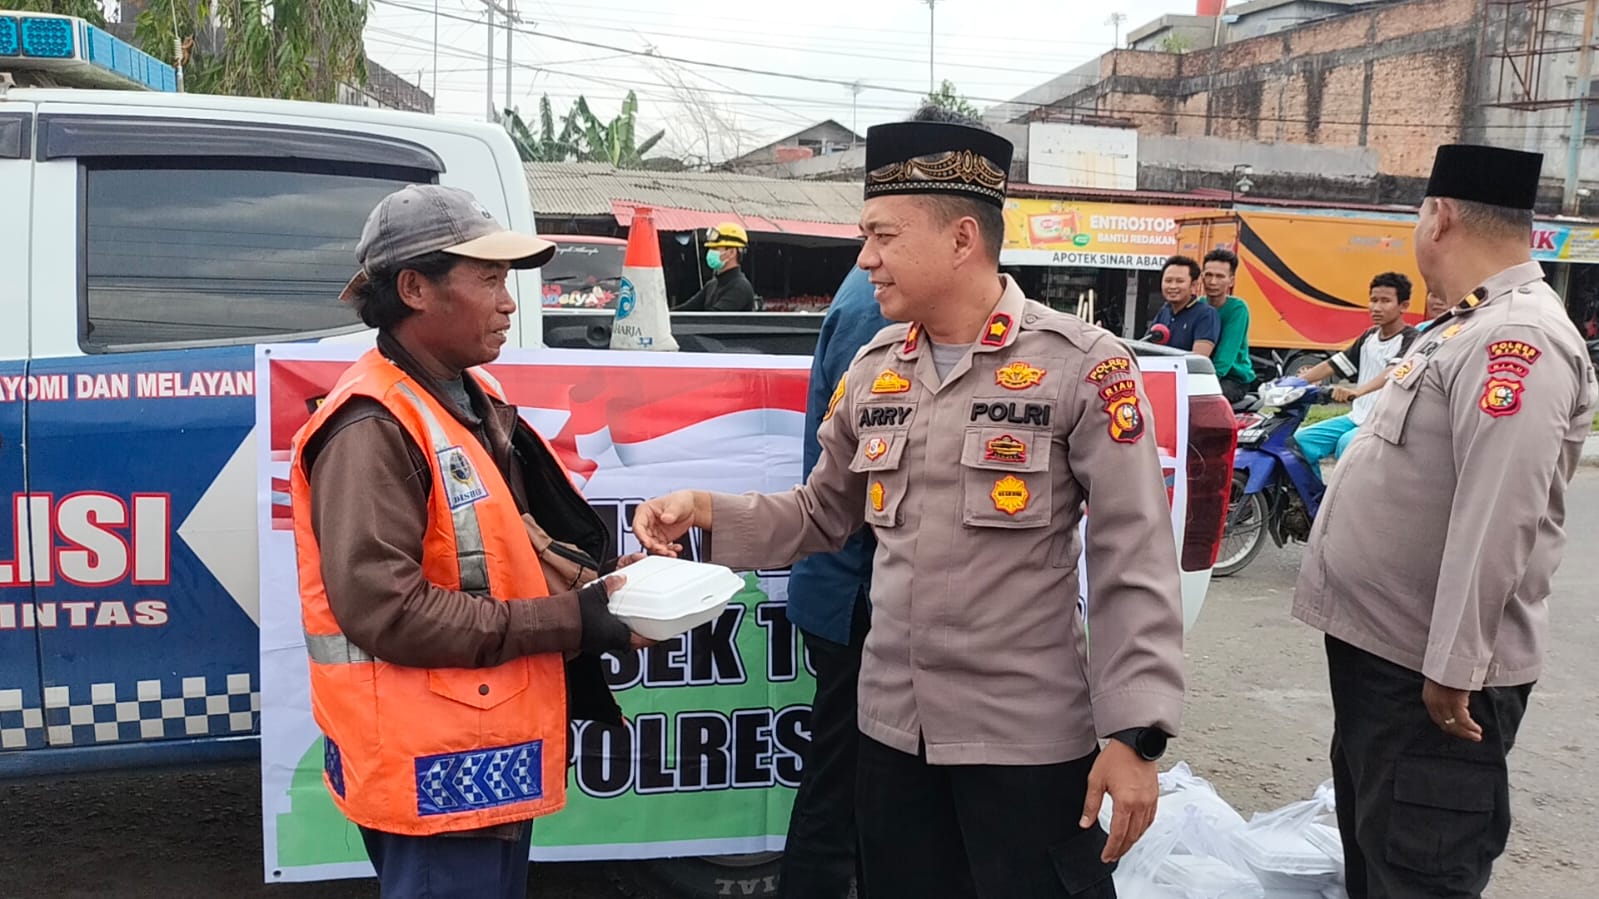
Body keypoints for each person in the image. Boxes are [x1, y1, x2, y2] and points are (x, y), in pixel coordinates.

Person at [634, 118, 1185, 898]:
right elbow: (821, 514)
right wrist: (705, 509)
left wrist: (1134, 735)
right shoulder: (872, 371)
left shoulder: (1083, 368)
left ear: (962, 239)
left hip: (1024, 742)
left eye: (882, 236)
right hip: (892, 735)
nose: (865, 259)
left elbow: (1132, 555)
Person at [289, 184, 648, 899]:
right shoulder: (372, 425)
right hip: (432, 769)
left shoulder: (458, 399)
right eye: (488, 279)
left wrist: (601, 587)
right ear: (414, 289)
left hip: (473, 757)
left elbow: (502, 550)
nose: (510, 301)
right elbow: (387, 611)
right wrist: (575, 618)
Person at [1294, 145, 1598, 899]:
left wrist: (1455, 665)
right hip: (1390, 657)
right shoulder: (1466, 324)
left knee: (1419, 872)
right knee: (1377, 853)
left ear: (1440, 216)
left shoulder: (1514, 337)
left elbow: (1499, 512)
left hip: (1430, 679)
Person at [777, 263, 889, 899]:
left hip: (849, 581)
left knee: (860, 787)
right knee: (845, 788)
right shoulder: (879, 307)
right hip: (856, 588)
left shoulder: (871, 293)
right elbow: (873, 477)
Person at [1292, 272, 1421, 467]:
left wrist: (1358, 391)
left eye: (1385, 301)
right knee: (1299, 442)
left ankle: (1345, 497)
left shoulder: (1411, 338)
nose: (1376, 307)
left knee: (1347, 443)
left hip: (1384, 421)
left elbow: (1393, 372)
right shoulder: (1369, 336)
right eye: (1373, 300)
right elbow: (1333, 364)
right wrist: (1294, 383)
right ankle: (1316, 496)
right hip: (1357, 416)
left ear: (1403, 306)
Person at [1200, 248, 1255, 403]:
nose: (1212, 282)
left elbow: (1225, 358)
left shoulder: (1238, 308)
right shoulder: (1198, 305)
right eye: (1208, 275)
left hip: (1232, 379)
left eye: (1220, 276)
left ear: (1231, 281)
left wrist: (1201, 381)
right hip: (1201, 374)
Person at [675, 221, 757, 311]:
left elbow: (713, 320)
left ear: (732, 252)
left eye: (715, 248)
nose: (710, 253)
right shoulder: (713, 284)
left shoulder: (740, 288)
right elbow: (685, 310)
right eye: (710, 249)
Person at [1151, 255, 1220, 356]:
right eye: (1168, 281)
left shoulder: (1206, 314)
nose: (1172, 286)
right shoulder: (1164, 310)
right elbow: (1146, 344)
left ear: (1193, 285)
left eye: (1179, 281)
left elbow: (1198, 359)